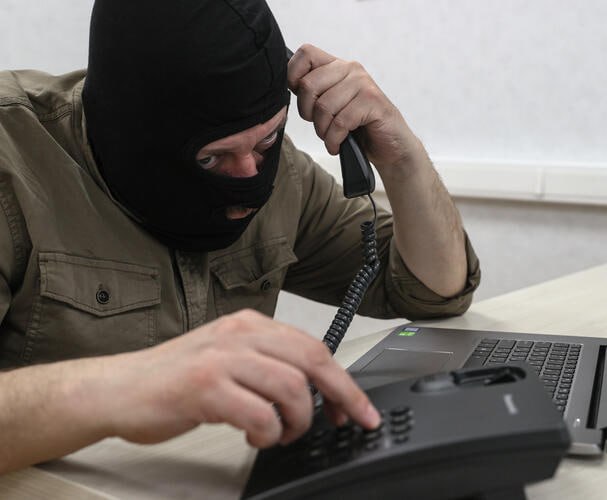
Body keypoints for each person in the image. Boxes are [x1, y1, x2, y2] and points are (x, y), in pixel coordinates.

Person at [0, 0, 480, 474]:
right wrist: (132, 385)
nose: (250, 178)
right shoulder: (13, 168)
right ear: (131, 136)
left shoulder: (281, 173)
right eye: (212, 159)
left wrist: (402, 158)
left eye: (267, 141)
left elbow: (430, 289)